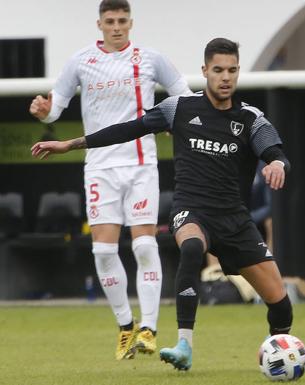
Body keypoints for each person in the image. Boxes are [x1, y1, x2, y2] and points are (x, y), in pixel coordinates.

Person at [31, 37, 293, 372]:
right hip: (192, 210)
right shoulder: (179, 107)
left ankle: (280, 354)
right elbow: (128, 129)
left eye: (231, 70)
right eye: (217, 70)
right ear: (205, 71)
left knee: (281, 304)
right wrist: (71, 144)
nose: (225, 77)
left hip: (235, 220)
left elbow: (276, 153)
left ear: (238, 72)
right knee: (192, 247)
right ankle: (184, 344)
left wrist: (276, 165)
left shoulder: (251, 118)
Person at [28, 0, 191, 360]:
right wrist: (44, 111)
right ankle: (125, 326)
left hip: (140, 163)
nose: (116, 27)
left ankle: (149, 328)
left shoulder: (149, 58)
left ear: (131, 23)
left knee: (145, 245)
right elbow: (55, 106)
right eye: (110, 21)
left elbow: (185, 94)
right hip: (100, 166)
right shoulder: (80, 60)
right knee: (102, 250)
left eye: (122, 21)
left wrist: (174, 119)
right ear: (99, 24)